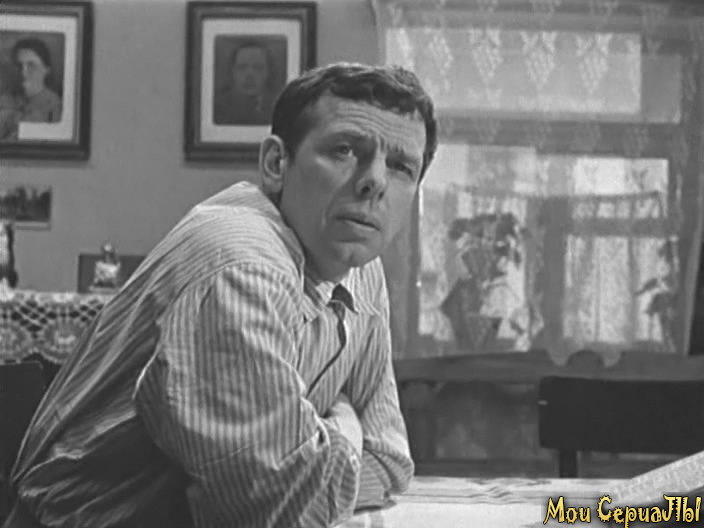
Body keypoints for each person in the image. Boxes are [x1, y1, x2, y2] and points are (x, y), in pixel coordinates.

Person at [3, 62, 437, 528]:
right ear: (276, 163)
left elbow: (388, 462)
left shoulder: (360, 266)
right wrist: (346, 427)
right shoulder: (240, 265)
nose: (374, 182)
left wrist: (320, 456)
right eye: (345, 150)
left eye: (401, 167)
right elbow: (272, 513)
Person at [213, 40, 278, 125]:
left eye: (258, 68)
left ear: (268, 72)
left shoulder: (279, 106)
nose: (249, 76)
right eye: (242, 67)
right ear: (233, 71)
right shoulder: (217, 106)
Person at [12, 37, 62, 124]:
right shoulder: (5, 100)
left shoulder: (54, 105)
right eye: (19, 65)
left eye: (31, 65)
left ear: (46, 69)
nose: (23, 72)